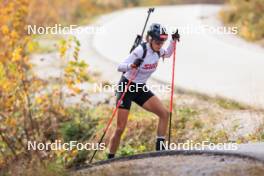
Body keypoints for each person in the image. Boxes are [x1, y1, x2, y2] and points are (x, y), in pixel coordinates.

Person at [107, 23, 180, 159]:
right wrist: (132, 65)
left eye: (162, 41)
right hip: (127, 87)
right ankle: (110, 158)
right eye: (158, 41)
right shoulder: (141, 50)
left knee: (164, 114)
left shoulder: (158, 51)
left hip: (140, 88)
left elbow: (168, 54)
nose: (160, 44)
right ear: (150, 39)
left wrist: (173, 41)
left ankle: (160, 152)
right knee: (120, 128)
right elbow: (120, 67)